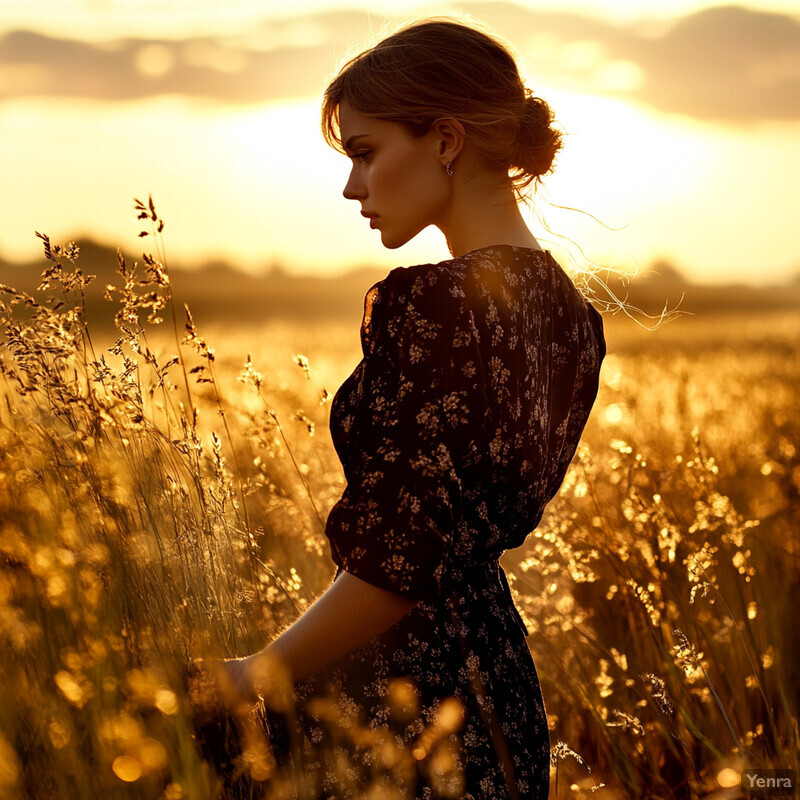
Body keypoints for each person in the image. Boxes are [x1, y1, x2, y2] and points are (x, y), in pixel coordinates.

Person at [190, 16, 606, 800]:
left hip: (400, 704)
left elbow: (401, 558)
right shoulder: (575, 323)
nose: (353, 187)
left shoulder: (434, 307)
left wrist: (254, 674)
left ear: (445, 140)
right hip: (502, 694)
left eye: (366, 153)